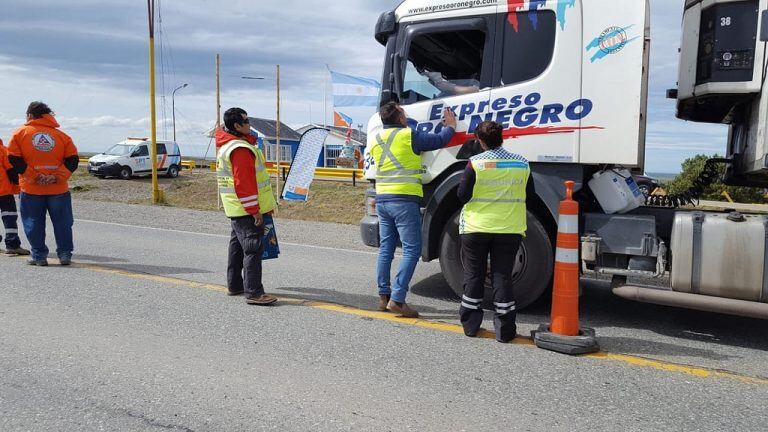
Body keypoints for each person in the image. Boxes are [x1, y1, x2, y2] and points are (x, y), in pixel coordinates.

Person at [372, 101, 456, 318]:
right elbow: (439, 140)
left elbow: (398, 125)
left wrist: (400, 115)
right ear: (400, 118)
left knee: (386, 249)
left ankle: (383, 297)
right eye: (403, 113)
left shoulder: (376, 138)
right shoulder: (410, 135)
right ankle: (398, 300)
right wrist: (451, 126)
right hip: (403, 199)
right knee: (411, 250)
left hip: (382, 199)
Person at [456, 121, 534, 343]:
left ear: (480, 141)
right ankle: (505, 330)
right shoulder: (522, 164)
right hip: (510, 228)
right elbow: (530, 193)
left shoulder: (475, 163)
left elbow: (462, 196)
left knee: (474, 275)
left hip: (476, 227)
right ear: (502, 137)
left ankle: (471, 325)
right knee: (502, 277)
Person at [215, 107, 278, 306]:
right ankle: (254, 292)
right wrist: (254, 210)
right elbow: (245, 183)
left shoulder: (229, 145)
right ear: (237, 126)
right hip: (245, 208)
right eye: (246, 121)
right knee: (252, 248)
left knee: (237, 247)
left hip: (235, 207)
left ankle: (235, 285)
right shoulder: (240, 149)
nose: (250, 124)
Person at [8, 102, 78, 266]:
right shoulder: (62, 136)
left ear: (30, 116)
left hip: (31, 188)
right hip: (58, 188)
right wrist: (55, 177)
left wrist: (34, 176)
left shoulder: (20, 133)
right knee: (63, 223)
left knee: (33, 222)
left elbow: (13, 158)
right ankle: (65, 254)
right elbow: (73, 160)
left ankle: (39, 256)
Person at [0, 139, 30, 256]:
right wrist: (21, 185)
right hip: (3, 192)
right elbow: (11, 170)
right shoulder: (3, 150)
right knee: (9, 217)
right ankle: (12, 245)